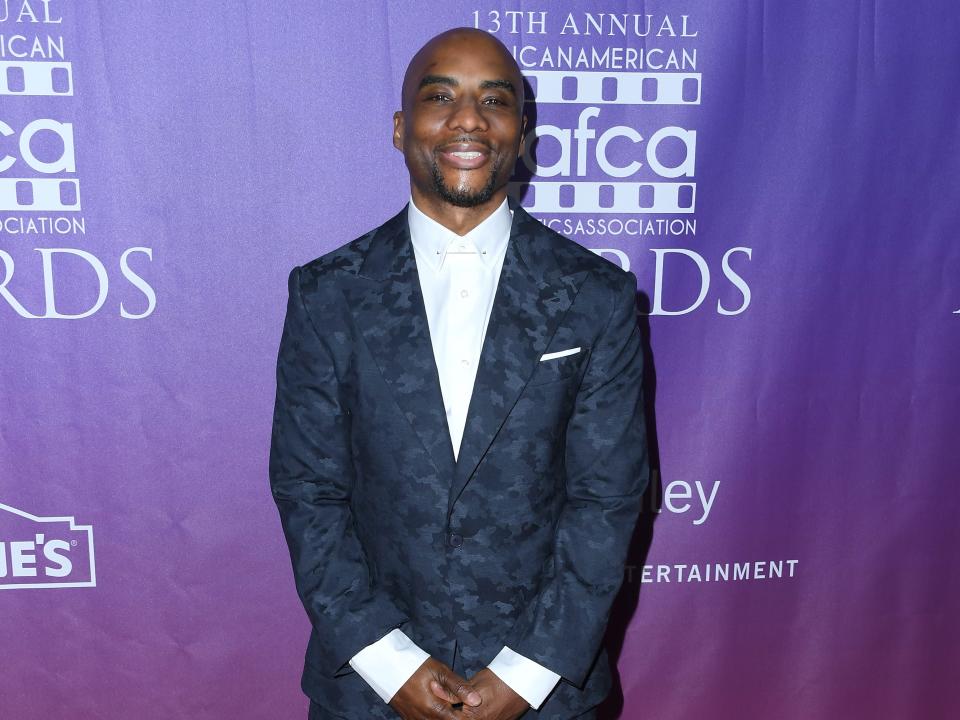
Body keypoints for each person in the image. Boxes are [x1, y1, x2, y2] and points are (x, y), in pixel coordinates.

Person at [269, 27, 648, 720]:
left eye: (493, 100)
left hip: (548, 698)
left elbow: (607, 500)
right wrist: (393, 666)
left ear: (521, 131)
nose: (468, 118)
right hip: (369, 694)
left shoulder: (595, 297)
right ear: (399, 127)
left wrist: (527, 674)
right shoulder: (328, 294)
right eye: (439, 96)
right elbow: (309, 492)